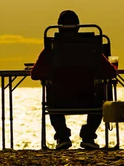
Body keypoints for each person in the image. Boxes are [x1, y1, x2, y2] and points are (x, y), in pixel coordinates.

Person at [30, 10, 117, 150]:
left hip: (59, 101)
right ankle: (88, 136)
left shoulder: (51, 49)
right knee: (101, 97)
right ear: (78, 27)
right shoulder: (91, 48)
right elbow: (111, 73)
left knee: (51, 95)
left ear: (58, 27)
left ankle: (62, 137)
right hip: (87, 99)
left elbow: (35, 74)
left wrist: (50, 73)